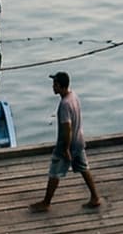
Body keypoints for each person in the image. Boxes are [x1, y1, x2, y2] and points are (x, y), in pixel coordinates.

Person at [31, 72, 100, 211]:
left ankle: (46, 202)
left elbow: (66, 128)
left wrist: (65, 148)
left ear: (60, 86)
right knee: (83, 168)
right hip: (79, 140)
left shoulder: (64, 104)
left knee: (54, 172)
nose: (52, 86)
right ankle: (95, 197)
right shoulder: (73, 96)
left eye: (55, 84)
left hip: (68, 144)